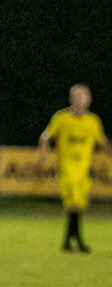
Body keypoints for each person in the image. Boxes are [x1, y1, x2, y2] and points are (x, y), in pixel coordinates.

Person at [38, 84, 110, 253]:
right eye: (76, 97)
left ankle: (68, 241)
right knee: (73, 204)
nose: (80, 100)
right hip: (67, 169)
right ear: (71, 99)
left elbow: (103, 143)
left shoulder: (93, 121)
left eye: (83, 97)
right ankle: (78, 241)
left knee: (78, 205)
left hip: (84, 171)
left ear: (88, 100)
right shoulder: (62, 118)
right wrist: (42, 154)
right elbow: (46, 135)